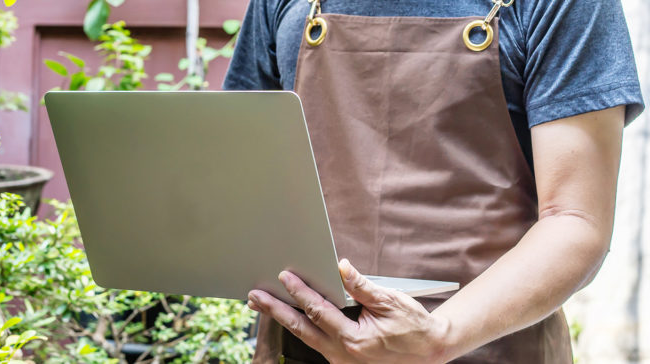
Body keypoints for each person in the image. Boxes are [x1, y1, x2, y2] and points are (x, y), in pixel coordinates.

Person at [222, 0, 645, 362]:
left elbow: (575, 218)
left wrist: (435, 339)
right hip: (302, 350)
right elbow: (244, 172)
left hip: (488, 350)